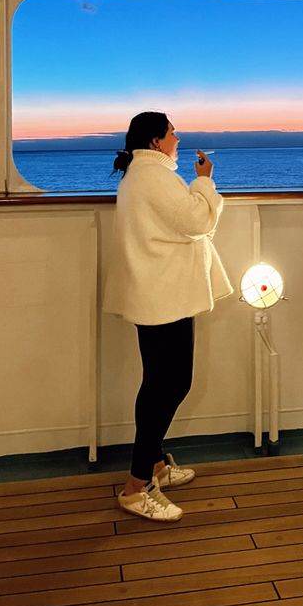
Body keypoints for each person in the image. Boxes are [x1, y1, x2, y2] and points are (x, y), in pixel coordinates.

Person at [103, 111, 233, 522]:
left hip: (159, 294)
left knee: (159, 382)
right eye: (173, 132)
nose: (178, 137)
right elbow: (194, 221)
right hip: (164, 297)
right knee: (169, 384)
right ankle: (136, 485)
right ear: (157, 141)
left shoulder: (142, 175)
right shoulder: (154, 177)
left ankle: (156, 464)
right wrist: (205, 180)